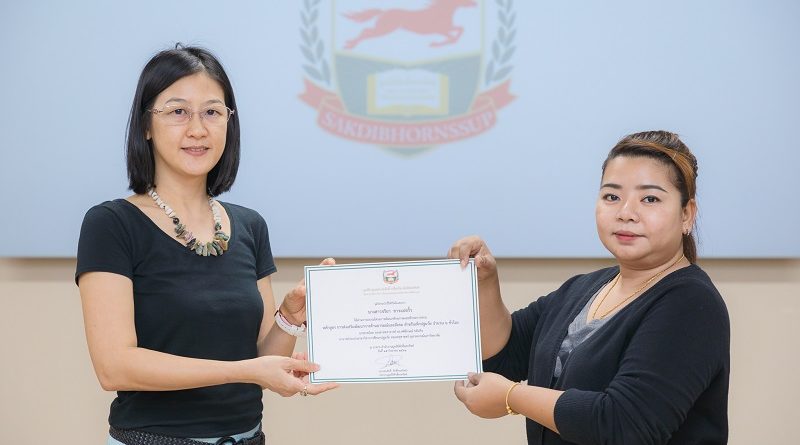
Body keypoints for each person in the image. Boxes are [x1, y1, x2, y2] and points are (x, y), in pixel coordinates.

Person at [76, 45, 337, 445]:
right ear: (146, 125)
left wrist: (289, 317)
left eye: (212, 112)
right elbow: (115, 367)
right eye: (178, 111)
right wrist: (242, 371)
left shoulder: (250, 225)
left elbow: (261, 358)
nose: (197, 129)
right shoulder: (111, 224)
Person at [450, 131, 730, 444]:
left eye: (650, 199)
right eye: (612, 196)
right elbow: (504, 355)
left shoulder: (691, 304)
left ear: (687, 214)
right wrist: (486, 282)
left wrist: (511, 397)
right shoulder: (584, 288)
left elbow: (624, 426)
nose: (626, 213)